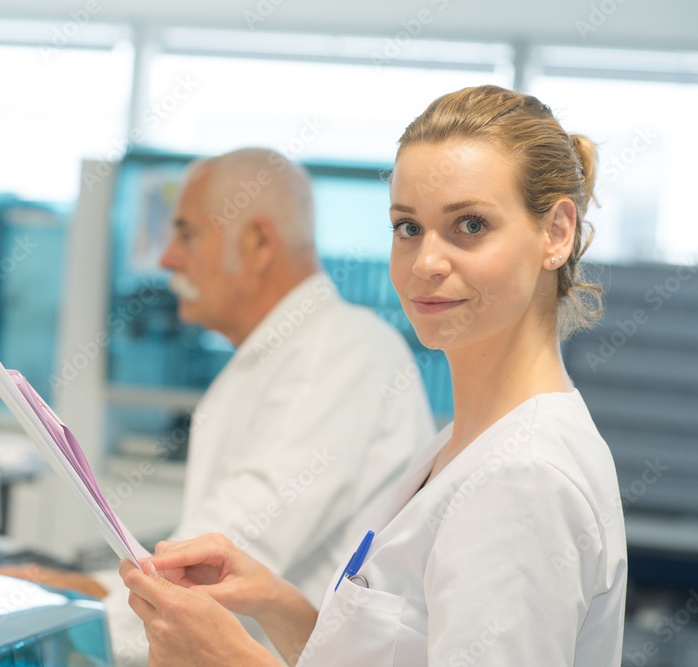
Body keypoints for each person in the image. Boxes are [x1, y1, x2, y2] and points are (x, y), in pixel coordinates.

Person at [118, 86, 628, 666]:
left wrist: (232, 657)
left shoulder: (525, 477)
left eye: (470, 225)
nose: (427, 262)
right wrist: (276, 602)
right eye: (408, 227)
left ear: (556, 234)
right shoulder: (467, 445)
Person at [0, 147, 435, 664]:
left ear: (256, 243)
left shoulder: (340, 352)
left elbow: (232, 557)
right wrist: (80, 591)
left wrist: (71, 605)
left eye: (186, 233)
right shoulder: (282, 355)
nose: (167, 259)